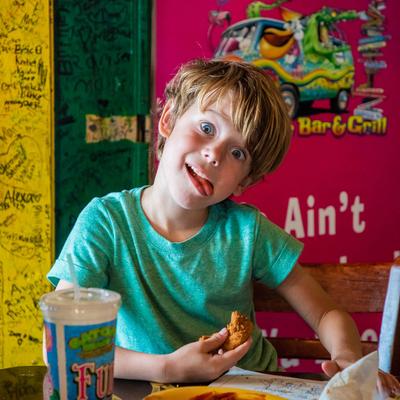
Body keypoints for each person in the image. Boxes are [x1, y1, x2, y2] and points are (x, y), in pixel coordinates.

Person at [45, 59, 399, 396]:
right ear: (168, 119)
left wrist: (351, 363)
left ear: (244, 182)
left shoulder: (248, 231)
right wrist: (168, 368)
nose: (215, 154)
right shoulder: (104, 223)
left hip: (247, 390)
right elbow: (62, 344)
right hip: (146, 390)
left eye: (238, 153)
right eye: (207, 128)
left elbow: (325, 312)